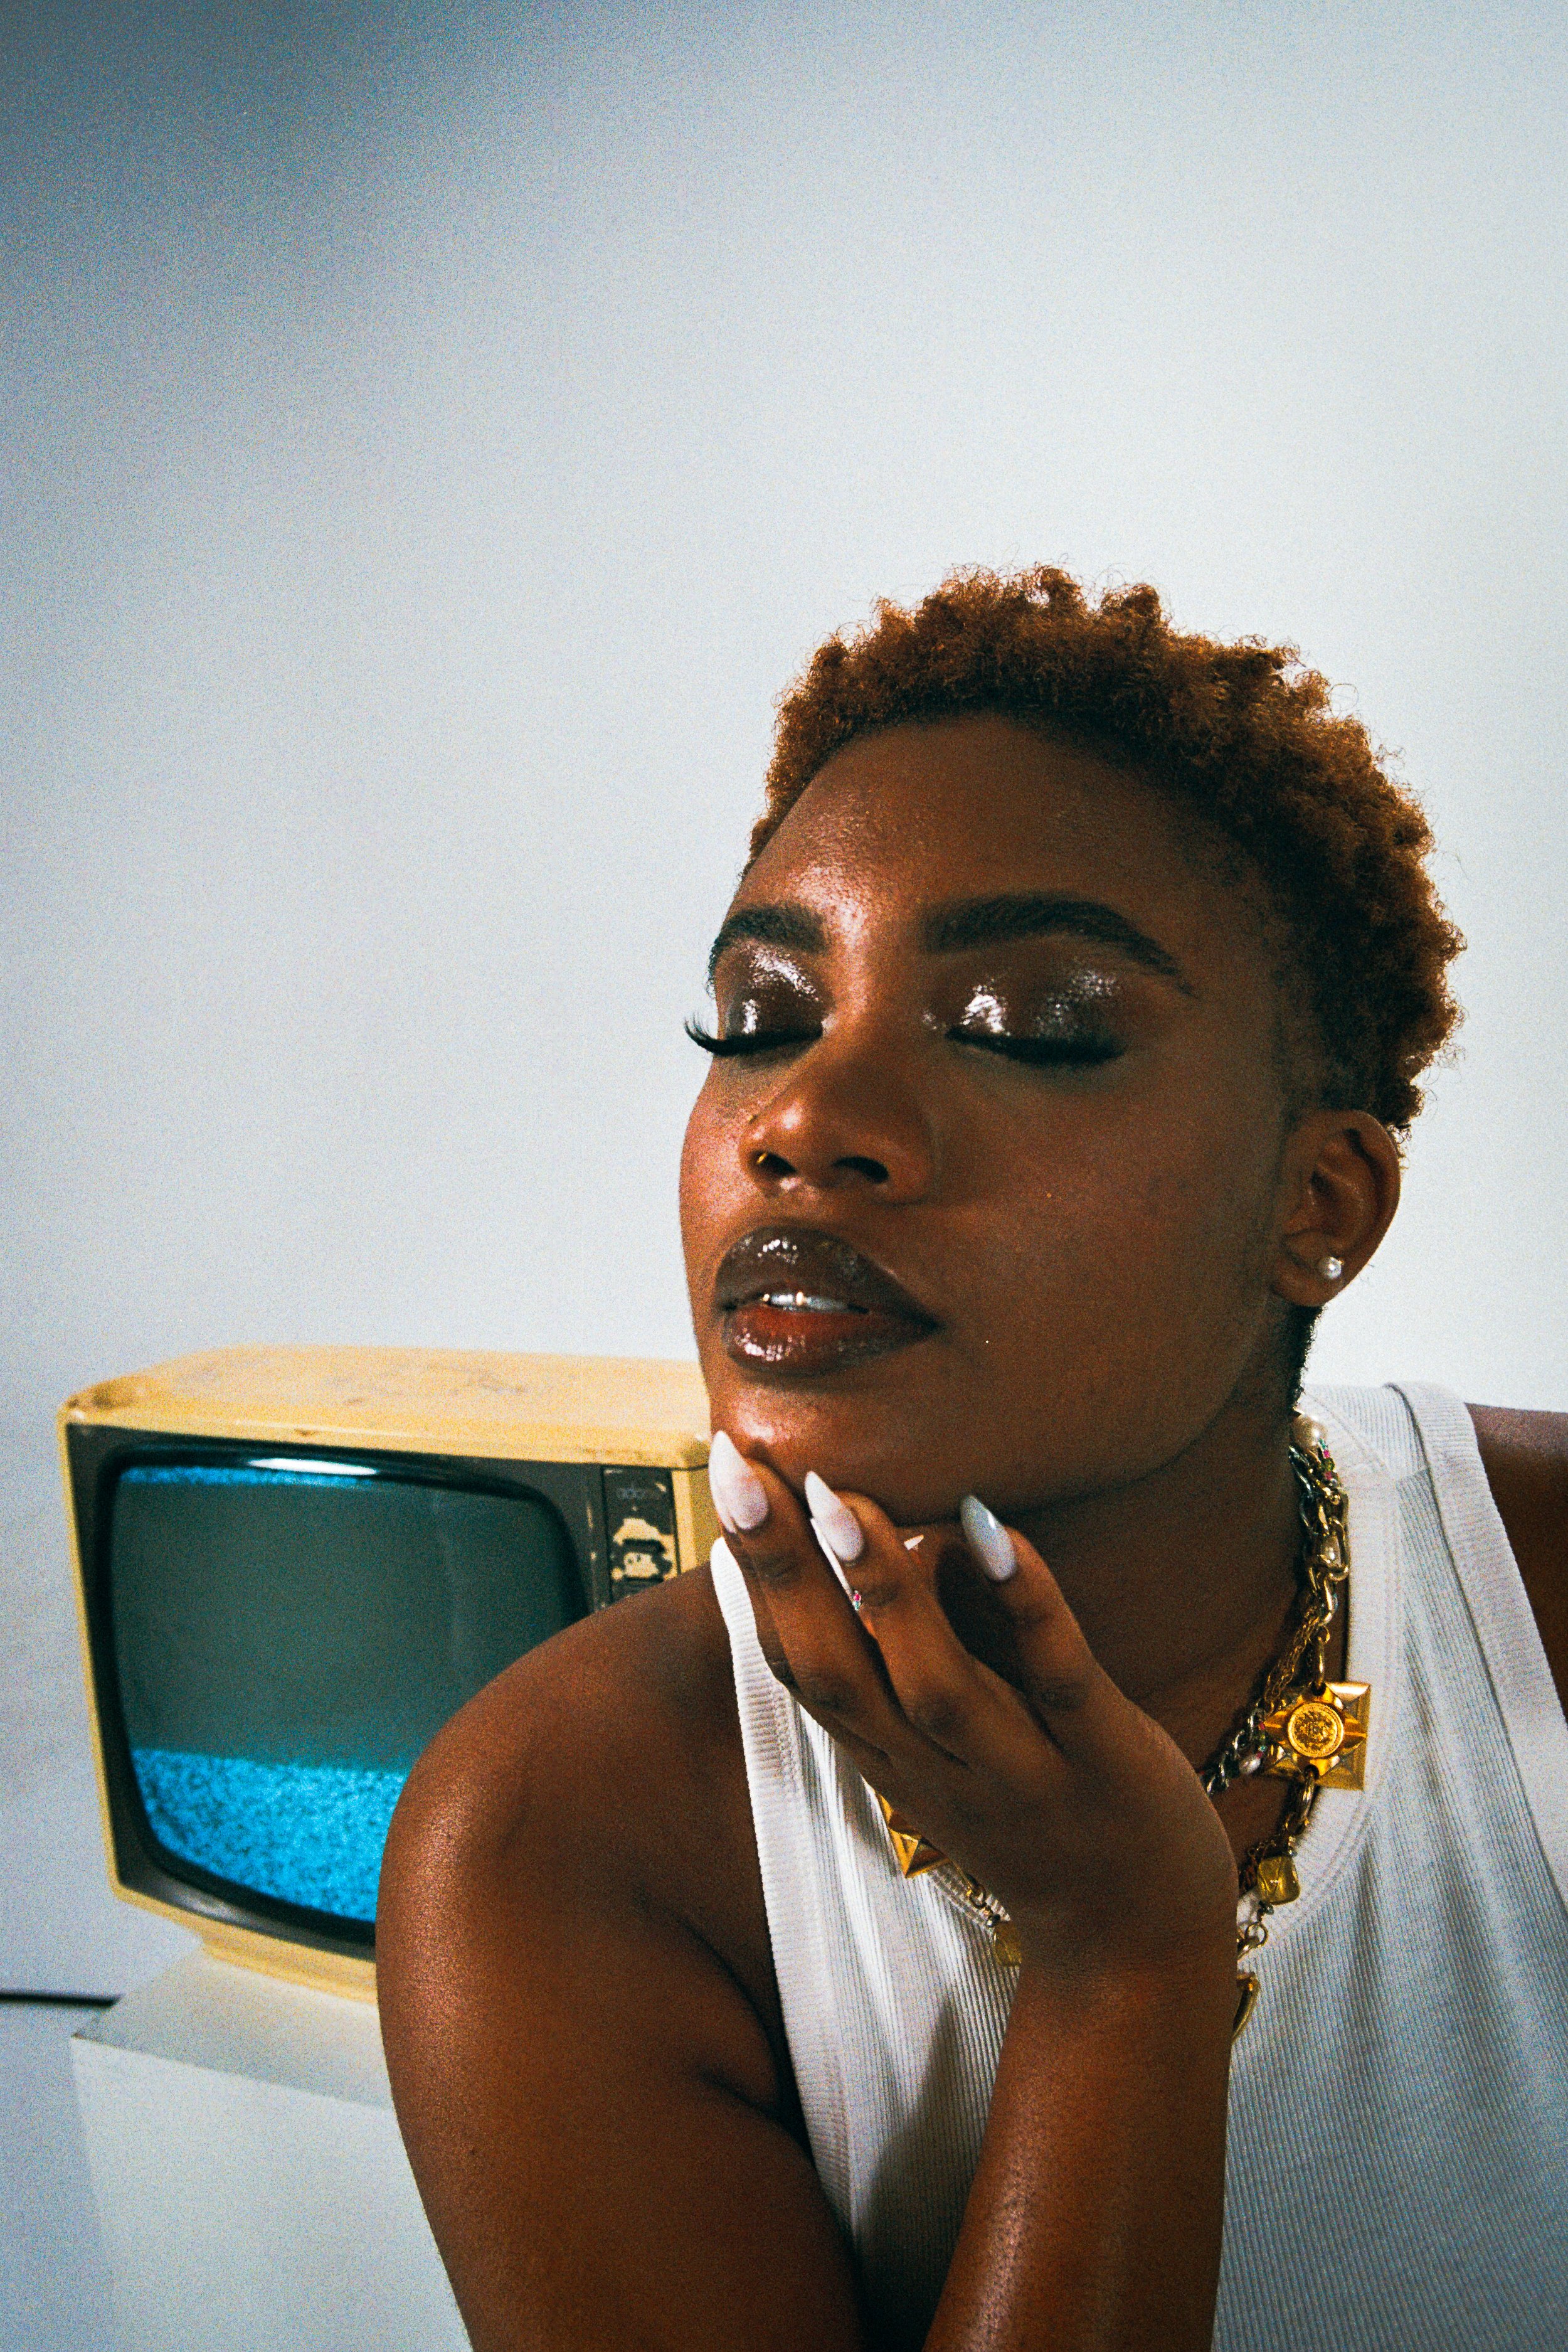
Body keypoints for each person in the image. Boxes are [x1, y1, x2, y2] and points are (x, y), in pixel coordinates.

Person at [377, 568, 1568, 2352]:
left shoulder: (1536, 1596)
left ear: (1315, 1204)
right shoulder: (561, 1831)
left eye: (1029, 1030)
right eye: (760, 1018)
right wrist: (1119, 1962)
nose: (799, 1120)